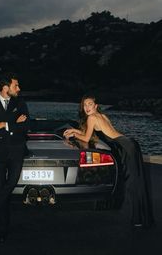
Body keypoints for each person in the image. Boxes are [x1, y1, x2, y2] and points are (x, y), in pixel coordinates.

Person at [63, 95, 154, 229]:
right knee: (137, 181)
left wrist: (74, 135)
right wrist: (75, 130)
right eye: (84, 105)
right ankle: (142, 218)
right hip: (129, 143)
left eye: (90, 104)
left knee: (132, 183)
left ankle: (139, 219)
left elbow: (87, 138)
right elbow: (94, 132)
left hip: (124, 147)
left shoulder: (91, 118)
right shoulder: (101, 116)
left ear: (95, 105)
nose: (87, 107)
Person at [0, 72, 30, 242]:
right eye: (15, 85)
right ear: (6, 88)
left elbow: (26, 125)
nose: (19, 88)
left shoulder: (20, 101)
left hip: (17, 150)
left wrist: (3, 124)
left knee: (10, 184)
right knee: (0, 188)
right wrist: (12, 123)